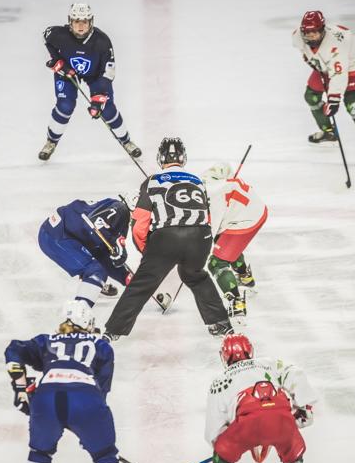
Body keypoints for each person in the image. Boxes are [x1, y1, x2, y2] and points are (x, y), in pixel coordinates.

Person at [4, 300, 140, 463]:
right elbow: (102, 389)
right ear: (87, 323)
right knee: (105, 454)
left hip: (47, 399)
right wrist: (87, 431)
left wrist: (21, 389)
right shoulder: (101, 346)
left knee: (40, 451)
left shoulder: (46, 341)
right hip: (86, 400)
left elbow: (13, 350)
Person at [104, 137, 233, 339]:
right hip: (200, 237)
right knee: (195, 275)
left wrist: (147, 252)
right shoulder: (198, 181)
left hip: (166, 238)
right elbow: (208, 218)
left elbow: (140, 223)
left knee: (142, 283)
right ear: (183, 158)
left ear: (160, 158)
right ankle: (221, 323)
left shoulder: (152, 181)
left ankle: (113, 332)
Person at [204, 333, 316, 463]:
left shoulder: (220, 381)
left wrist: (225, 446)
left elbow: (213, 432)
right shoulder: (268, 364)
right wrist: (304, 408)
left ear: (224, 356)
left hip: (247, 425)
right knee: (292, 451)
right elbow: (296, 373)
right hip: (282, 419)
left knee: (222, 454)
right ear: (250, 351)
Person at [39, 3, 141, 161]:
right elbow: (46, 36)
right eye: (76, 21)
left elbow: (108, 72)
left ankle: (126, 141)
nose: (80, 26)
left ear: (91, 22)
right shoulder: (59, 34)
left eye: (84, 22)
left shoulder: (102, 41)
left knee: (107, 108)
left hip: (95, 75)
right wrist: (58, 61)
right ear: (70, 21)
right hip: (68, 73)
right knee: (65, 105)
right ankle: (51, 142)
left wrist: (99, 96)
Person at [292, 10, 355, 154]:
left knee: (353, 104)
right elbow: (306, 52)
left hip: (353, 64)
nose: (310, 36)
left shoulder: (336, 45)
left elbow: (338, 74)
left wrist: (333, 99)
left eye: (314, 32)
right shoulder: (298, 36)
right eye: (307, 32)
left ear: (322, 30)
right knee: (311, 96)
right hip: (327, 64)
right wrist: (313, 62)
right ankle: (328, 133)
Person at [38, 196, 131, 310]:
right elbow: (92, 224)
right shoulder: (121, 210)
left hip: (61, 232)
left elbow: (102, 251)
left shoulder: (116, 208)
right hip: (56, 235)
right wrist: (114, 243)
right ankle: (77, 315)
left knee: (96, 263)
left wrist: (125, 276)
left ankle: (92, 284)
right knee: (97, 271)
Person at [202, 162, 268, 319]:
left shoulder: (212, 192)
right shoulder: (230, 183)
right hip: (256, 213)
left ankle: (237, 303)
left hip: (243, 223)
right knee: (224, 244)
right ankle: (245, 276)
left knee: (216, 263)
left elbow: (210, 229)